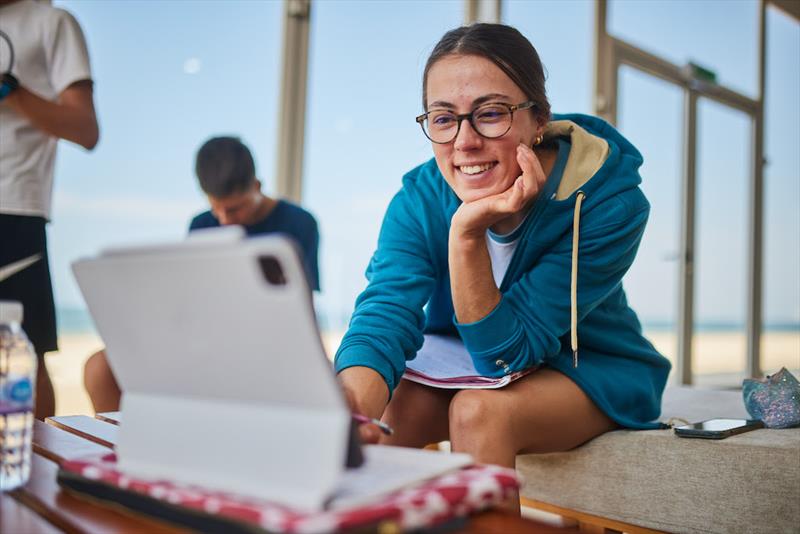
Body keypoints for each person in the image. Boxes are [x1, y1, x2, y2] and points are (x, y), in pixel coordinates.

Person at [335, 23, 671, 509]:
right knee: (386, 410)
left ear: (539, 120)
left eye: (491, 114)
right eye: (444, 118)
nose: (465, 142)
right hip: (462, 361)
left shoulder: (610, 204)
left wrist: (467, 233)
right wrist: (350, 409)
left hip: (587, 368)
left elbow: (505, 355)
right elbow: (386, 311)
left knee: (478, 413)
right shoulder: (419, 198)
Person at [83, 136, 320, 412]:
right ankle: (119, 449)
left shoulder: (299, 223)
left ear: (257, 186)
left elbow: (302, 309)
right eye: (215, 208)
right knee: (99, 368)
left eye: (234, 209)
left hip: (266, 346)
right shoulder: (201, 224)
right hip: (207, 344)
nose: (224, 220)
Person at [0, 0, 99, 419]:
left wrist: (11, 91)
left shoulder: (51, 22)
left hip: (13, 205)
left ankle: (33, 478)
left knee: (22, 359)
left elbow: (85, 127)